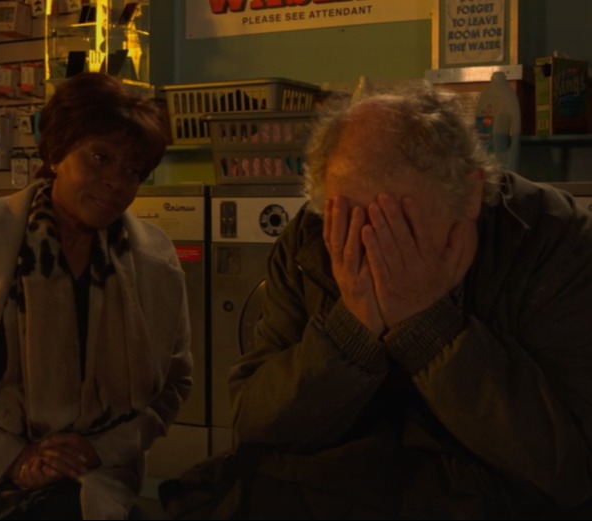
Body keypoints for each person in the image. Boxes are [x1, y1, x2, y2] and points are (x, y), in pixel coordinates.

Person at [221, 81, 592, 518]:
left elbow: (569, 470)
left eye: (404, 229)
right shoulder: (309, 240)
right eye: (356, 227)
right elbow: (254, 427)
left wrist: (429, 327)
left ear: (471, 193)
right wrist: (351, 328)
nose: (381, 255)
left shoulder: (553, 239)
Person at [0, 72, 193, 520]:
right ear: (58, 151)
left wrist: (98, 448)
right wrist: (10, 456)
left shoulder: (154, 259)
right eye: (100, 157)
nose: (115, 182)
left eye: (132, 171)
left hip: (89, 467)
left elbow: (175, 383)